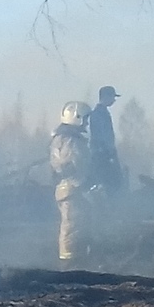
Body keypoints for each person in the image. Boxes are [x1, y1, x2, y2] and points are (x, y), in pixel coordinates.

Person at [49, 100, 93, 264]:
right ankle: (68, 263)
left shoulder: (70, 138)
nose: (87, 123)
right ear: (77, 117)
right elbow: (65, 165)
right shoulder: (67, 140)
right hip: (71, 188)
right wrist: (82, 183)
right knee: (71, 226)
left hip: (74, 187)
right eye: (85, 119)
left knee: (79, 225)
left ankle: (78, 259)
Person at [89, 86, 125, 193]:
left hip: (104, 153)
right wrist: (109, 152)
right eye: (112, 97)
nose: (114, 100)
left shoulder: (101, 112)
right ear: (105, 97)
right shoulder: (99, 114)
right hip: (103, 155)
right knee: (110, 183)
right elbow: (102, 135)